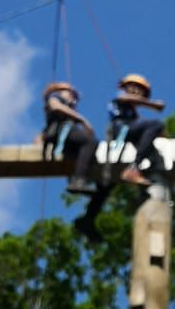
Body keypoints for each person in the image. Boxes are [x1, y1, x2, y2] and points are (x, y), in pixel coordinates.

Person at [72, 73, 167, 244]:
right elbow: (126, 99)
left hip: (126, 135)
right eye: (136, 89)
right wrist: (152, 105)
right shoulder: (121, 98)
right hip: (121, 129)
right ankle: (134, 168)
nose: (137, 93)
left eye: (141, 91)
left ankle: (88, 218)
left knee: (106, 185)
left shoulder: (135, 115)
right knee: (156, 125)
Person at [40, 80, 98, 195]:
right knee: (89, 141)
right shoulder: (56, 98)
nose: (73, 98)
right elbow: (55, 106)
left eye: (75, 97)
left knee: (82, 150)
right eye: (71, 94)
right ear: (61, 92)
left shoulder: (68, 107)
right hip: (59, 133)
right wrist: (82, 120)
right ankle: (78, 180)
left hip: (64, 136)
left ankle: (76, 180)